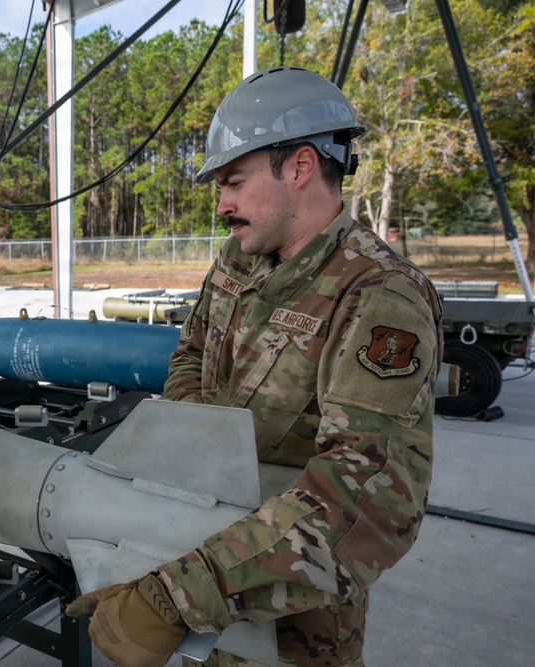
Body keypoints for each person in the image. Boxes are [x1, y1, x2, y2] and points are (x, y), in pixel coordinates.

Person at [66, 67, 442, 666]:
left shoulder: (378, 296)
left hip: (295, 614)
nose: (222, 205)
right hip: (201, 555)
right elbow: (191, 353)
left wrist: (178, 596)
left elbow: (367, 498)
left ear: (298, 167)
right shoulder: (240, 261)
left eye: (234, 182)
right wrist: (195, 451)